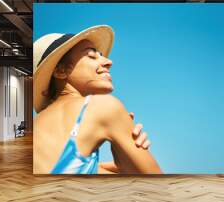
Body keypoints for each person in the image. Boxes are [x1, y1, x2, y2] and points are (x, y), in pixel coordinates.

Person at [33, 25, 162, 174]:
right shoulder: (102, 106)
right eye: (91, 56)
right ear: (61, 71)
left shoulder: (37, 127)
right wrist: (126, 153)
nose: (108, 62)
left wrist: (120, 164)